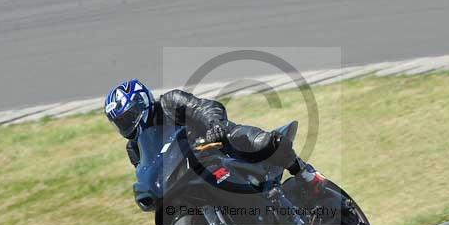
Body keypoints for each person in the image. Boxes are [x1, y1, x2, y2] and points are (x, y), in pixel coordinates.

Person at [104, 79, 325, 192]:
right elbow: (148, 171)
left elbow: (203, 107)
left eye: (128, 116)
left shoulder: (170, 103)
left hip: (220, 146)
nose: (126, 124)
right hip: (189, 175)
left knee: (265, 142)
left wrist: (214, 126)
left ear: (142, 102)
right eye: (120, 122)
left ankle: (306, 175)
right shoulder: (135, 148)